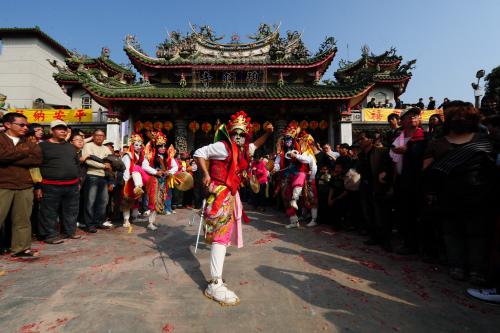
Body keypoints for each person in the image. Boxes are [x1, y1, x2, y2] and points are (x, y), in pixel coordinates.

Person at [194, 110, 273, 306]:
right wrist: (205, 174)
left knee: (223, 236)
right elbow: (199, 153)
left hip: (230, 195)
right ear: (230, 134)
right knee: (220, 237)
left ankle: (216, 279)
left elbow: (256, 145)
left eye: (242, 134)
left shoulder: (244, 149)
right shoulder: (223, 147)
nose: (239, 137)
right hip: (220, 193)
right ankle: (214, 283)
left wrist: (269, 134)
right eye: (235, 133)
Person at [424, 101, 495, 283]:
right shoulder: (439, 143)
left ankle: (477, 270)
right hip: (447, 196)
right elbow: (429, 170)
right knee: (452, 233)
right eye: (455, 118)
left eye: (464, 118)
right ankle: (457, 266)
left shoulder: (484, 141)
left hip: (478, 197)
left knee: (477, 234)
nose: (460, 120)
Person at [0, 112, 42, 258]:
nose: (25, 128)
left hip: (24, 185)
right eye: (21, 124)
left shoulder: (29, 142)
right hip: (3, 184)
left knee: (23, 219)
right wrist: (23, 153)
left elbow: (36, 160)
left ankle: (21, 248)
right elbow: (1, 157)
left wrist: (10, 157)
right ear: (8, 124)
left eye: (27, 125)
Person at [36, 120, 81, 244]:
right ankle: (50, 235)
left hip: (72, 185)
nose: (63, 131)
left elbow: (76, 164)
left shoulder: (70, 146)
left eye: (64, 129)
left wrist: (78, 181)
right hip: (50, 185)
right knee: (49, 212)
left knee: (71, 210)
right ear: (51, 131)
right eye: (59, 128)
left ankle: (69, 232)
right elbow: (36, 166)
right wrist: (38, 186)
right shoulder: (42, 146)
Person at [390, 107, 427, 255]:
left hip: (417, 182)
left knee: (419, 214)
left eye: (415, 115)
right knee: (404, 213)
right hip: (400, 181)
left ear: (420, 120)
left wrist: (409, 151)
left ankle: (421, 246)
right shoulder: (397, 139)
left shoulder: (425, 138)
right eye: (408, 116)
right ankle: (408, 243)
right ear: (402, 121)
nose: (412, 117)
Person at [356, 131, 394, 252]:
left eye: (363, 138)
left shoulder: (381, 152)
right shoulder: (361, 155)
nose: (360, 141)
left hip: (378, 186)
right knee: (369, 213)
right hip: (365, 186)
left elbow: (389, 166)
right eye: (359, 139)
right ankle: (374, 236)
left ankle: (385, 240)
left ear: (371, 140)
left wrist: (384, 173)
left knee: (381, 214)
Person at [274, 125, 318, 228]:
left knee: (311, 197)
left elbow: (306, 160)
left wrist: (296, 156)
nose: (288, 142)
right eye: (286, 140)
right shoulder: (281, 153)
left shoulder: (303, 151)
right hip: (287, 176)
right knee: (286, 198)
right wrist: (275, 168)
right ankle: (294, 221)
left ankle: (313, 218)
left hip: (303, 176)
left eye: (290, 139)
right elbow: (277, 162)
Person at [82, 129, 112, 233]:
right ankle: (89, 224)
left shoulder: (106, 148)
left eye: (102, 135)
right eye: (97, 135)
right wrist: (104, 166)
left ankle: (98, 222)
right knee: (90, 201)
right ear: (93, 136)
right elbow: (88, 161)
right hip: (91, 175)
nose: (99, 137)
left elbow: (111, 161)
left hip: (103, 177)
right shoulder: (88, 146)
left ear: (104, 137)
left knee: (103, 201)